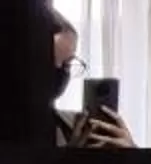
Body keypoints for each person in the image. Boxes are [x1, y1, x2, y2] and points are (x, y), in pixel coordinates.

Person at [49, 8, 134, 150]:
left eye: (67, 63)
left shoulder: (78, 126)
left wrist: (132, 157)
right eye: (50, 61)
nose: (60, 71)